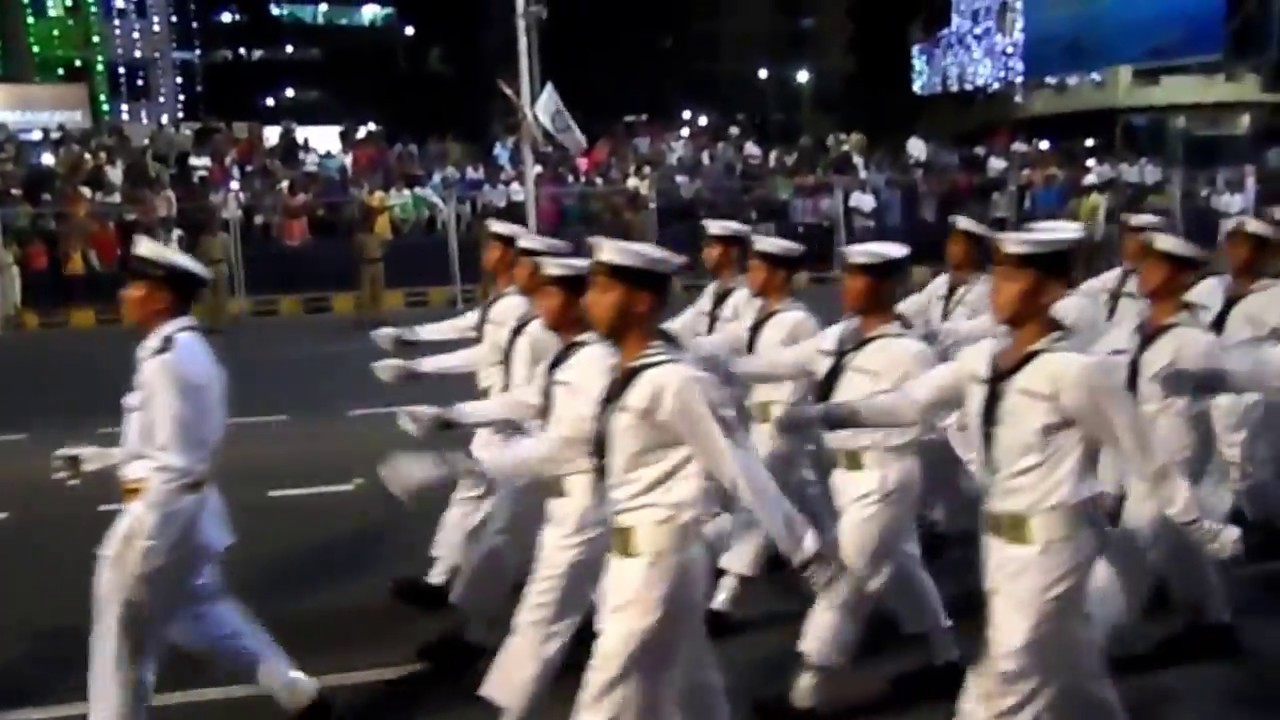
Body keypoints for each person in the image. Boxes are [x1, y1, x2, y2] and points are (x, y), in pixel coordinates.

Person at [778, 227, 1240, 720]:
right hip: (999, 545)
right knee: (1076, 677)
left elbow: (1148, 458)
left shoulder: (1076, 373)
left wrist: (1199, 526)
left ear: (1051, 290)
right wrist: (825, 415)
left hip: (1054, 549)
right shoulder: (980, 362)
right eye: (997, 272)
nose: (998, 287)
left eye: (1015, 276)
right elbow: (909, 402)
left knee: (1003, 681)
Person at [506, 236, 839, 719]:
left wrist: (804, 548)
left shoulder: (675, 382)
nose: (587, 300)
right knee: (693, 694)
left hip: (657, 564)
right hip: (633, 561)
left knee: (604, 699)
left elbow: (741, 469)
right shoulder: (624, 375)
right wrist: (464, 465)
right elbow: (567, 447)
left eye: (601, 288)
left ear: (641, 301)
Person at [50, 234, 332, 720]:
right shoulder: (173, 350)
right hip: (189, 516)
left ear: (160, 297)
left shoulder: (172, 361)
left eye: (134, 285)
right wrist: (99, 458)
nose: (124, 295)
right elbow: (162, 445)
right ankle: (295, 691)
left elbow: (178, 468)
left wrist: (145, 547)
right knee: (201, 612)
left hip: (163, 519)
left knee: (120, 646)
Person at [733, 241, 960, 712]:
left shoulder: (911, 354)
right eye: (848, 274)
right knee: (901, 564)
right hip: (845, 479)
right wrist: (716, 365)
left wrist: (819, 415)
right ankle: (946, 655)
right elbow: (780, 363)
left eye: (863, 277)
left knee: (845, 581)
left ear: (890, 287)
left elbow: (929, 418)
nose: (849, 285)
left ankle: (807, 690)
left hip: (887, 476)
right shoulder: (837, 338)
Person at [392, 256, 612, 720]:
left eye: (552, 291)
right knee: (503, 547)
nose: (540, 299)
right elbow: (530, 398)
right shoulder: (569, 349)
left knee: (561, 611)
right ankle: (477, 636)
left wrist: (453, 465)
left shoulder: (593, 360)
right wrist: (450, 414)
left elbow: (562, 443)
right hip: (549, 477)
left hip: (583, 494)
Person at [1084, 229, 1238, 663]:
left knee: (1127, 556)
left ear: (1182, 278)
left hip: (1171, 466)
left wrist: (1223, 479)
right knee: (1182, 546)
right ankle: (1214, 624)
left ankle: (1083, 652)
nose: (1144, 272)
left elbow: (1223, 411)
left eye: (1157, 265)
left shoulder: (1196, 343)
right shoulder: (1133, 333)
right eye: (1145, 262)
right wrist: (1111, 481)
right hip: (1135, 459)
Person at [683, 234, 825, 630]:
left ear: (779, 274)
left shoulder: (801, 321)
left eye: (760, 268)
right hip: (753, 425)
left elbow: (803, 374)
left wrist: (785, 421)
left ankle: (725, 600)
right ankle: (833, 585)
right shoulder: (754, 317)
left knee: (755, 512)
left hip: (781, 430)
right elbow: (718, 345)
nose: (752, 274)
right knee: (808, 514)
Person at [1184, 214, 1280, 560]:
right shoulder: (1208, 290)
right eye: (1233, 243)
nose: (1237, 253)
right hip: (1198, 397)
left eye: (1247, 245)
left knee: (1251, 471)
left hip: (1254, 405)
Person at [662, 219, 756, 344]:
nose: (704, 253)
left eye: (712, 247)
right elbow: (684, 323)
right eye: (704, 247)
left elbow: (735, 340)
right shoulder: (713, 290)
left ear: (733, 252)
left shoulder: (749, 293)